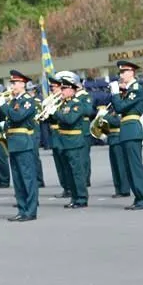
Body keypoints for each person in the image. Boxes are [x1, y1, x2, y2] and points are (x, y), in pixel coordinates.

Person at [0, 71, 39, 221]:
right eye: (11, 83)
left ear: (22, 84)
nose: (11, 86)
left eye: (14, 83)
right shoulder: (13, 101)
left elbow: (16, 116)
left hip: (23, 142)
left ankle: (30, 211)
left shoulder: (28, 100)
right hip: (13, 142)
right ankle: (22, 209)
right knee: (18, 180)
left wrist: (3, 105)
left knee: (27, 178)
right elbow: (3, 118)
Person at [109, 60, 143, 209]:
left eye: (123, 72)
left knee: (135, 167)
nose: (121, 75)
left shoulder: (137, 89)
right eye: (120, 72)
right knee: (129, 167)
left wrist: (115, 93)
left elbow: (120, 107)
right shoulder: (128, 90)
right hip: (126, 130)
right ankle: (139, 198)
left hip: (132, 129)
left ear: (132, 72)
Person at [52, 72, 89, 208]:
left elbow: (69, 119)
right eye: (61, 88)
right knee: (69, 172)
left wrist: (55, 113)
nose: (61, 91)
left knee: (77, 172)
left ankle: (81, 198)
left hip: (74, 142)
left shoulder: (77, 104)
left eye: (64, 89)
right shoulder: (63, 104)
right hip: (64, 142)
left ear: (72, 90)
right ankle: (74, 197)